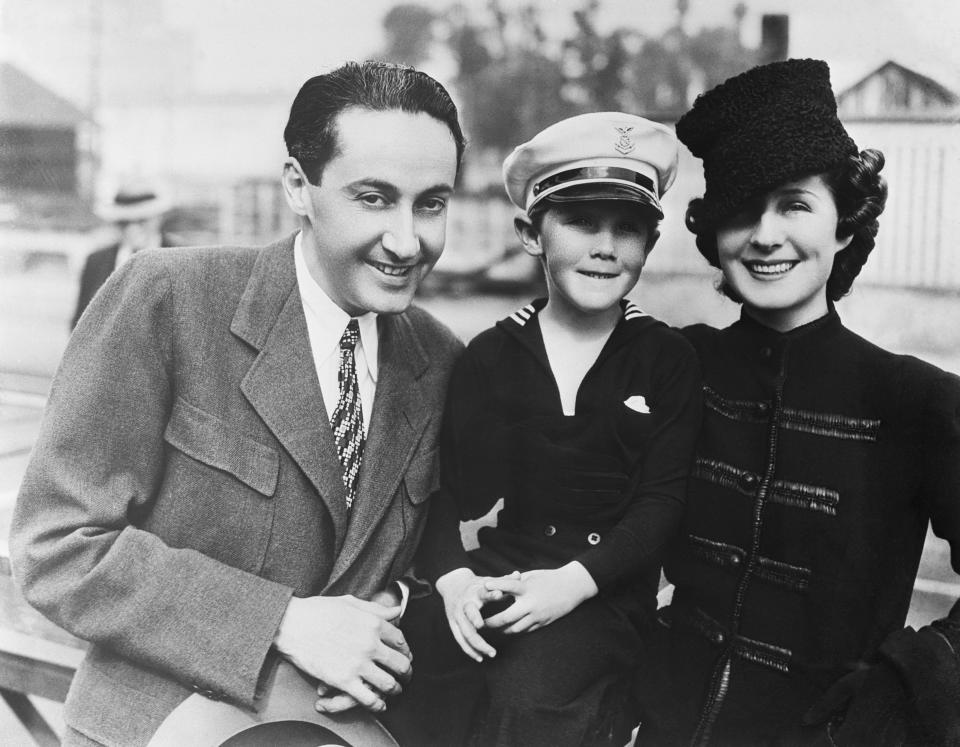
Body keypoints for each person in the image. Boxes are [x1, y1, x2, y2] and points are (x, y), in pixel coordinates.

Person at [10, 60, 466, 747]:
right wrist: (284, 621)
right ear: (298, 187)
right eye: (373, 198)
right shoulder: (168, 298)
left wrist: (391, 609)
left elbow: (442, 561)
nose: (407, 241)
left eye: (431, 203)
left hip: (345, 723)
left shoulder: (442, 358)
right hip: (162, 712)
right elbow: (58, 545)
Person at [635, 58, 960, 745]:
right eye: (741, 210)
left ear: (845, 224)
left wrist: (903, 689)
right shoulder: (680, 365)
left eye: (794, 204)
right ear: (714, 235)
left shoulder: (914, 400)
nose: (765, 234)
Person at [384, 112, 703, 747]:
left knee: (531, 699)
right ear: (531, 233)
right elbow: (447, 495)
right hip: (504, 575)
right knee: (397, 669)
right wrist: (455, 584)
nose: (606, 247)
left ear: (651, 240)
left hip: (604, 593)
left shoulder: (665, 358)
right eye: (582, 223)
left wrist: (572, 584)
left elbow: (662, 502)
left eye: (628, 229)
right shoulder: (491, 357)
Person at [71, 183, 171, 329]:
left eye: (141, 220)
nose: (132, 228)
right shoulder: (96, 262)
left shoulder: (183, 258)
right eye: (124, 222)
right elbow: (78, 326)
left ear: (158, 218)